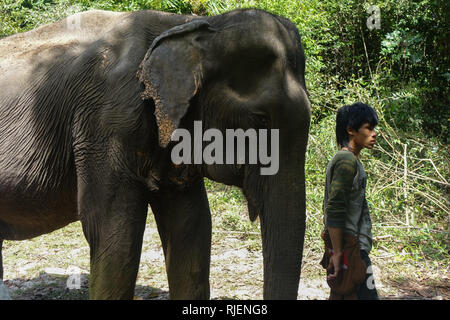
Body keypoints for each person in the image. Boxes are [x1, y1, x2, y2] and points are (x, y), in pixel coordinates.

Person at [322, 102, 379, 300]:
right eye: (368, 128)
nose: (374, 134)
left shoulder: (350, 160)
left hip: (352, 248)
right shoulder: (346, 161)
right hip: (351, 248)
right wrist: (338, 254)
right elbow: (335, 209)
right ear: (350, 130)